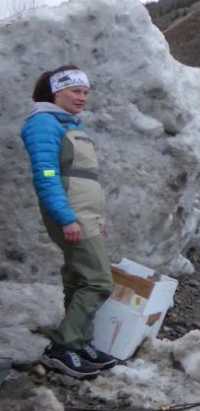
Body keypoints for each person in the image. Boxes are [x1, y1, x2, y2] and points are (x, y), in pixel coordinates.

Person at [21, 65, 117, 378]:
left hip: (84, 215)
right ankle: (63, 346)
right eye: (75, 91)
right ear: (55, 91)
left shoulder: (67, 124)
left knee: (78, 279)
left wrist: (96, 217)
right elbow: (46, 175)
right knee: (98, 281)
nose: (82, 97)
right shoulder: (43, 124)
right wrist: (66, 218)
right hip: (71, 214)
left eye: (86, 92)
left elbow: (83, 179)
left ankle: (79, 342)